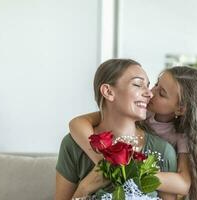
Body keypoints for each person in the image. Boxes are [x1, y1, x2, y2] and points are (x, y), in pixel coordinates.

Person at [70, 66, 197, 200]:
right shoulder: (142, 111)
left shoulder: (182, 135)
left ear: (180, 109)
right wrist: (102, 161)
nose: (151, 92)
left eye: (162, 93)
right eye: (156, 84)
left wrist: (131, 170)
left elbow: (183, 184)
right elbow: (77, 123)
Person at [55, 59, 178, 200]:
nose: (149, 94)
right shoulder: (72, 145)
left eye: (148, 86)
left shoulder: (163, 151)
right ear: (108, 92)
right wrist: (85, 187)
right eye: (138, 84)